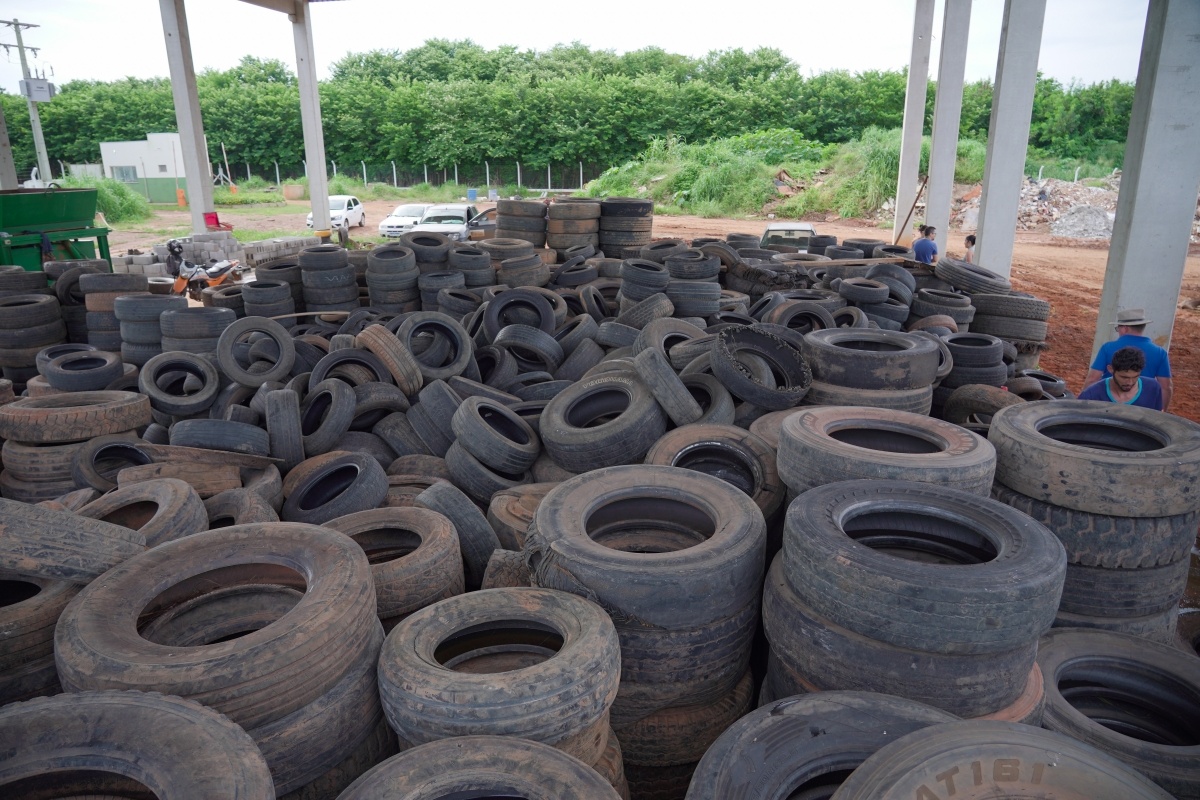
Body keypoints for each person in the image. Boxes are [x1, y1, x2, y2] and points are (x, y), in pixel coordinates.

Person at [1085, 308, 1172, 411]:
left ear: (1125, 328)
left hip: (1108, 405)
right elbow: (1166, 387)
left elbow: (1093, 379)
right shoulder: (1160, 352)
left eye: (1118, 328)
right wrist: (1162, 412)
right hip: (1142, 408)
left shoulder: (1108, 348)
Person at [1078, 347, 1164, 410]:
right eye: (1124, 377)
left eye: (1135, 377)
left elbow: (1157, 418)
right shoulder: (1090, 396)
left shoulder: (1153, 389)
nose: (1130, 382)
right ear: (1111, 369)